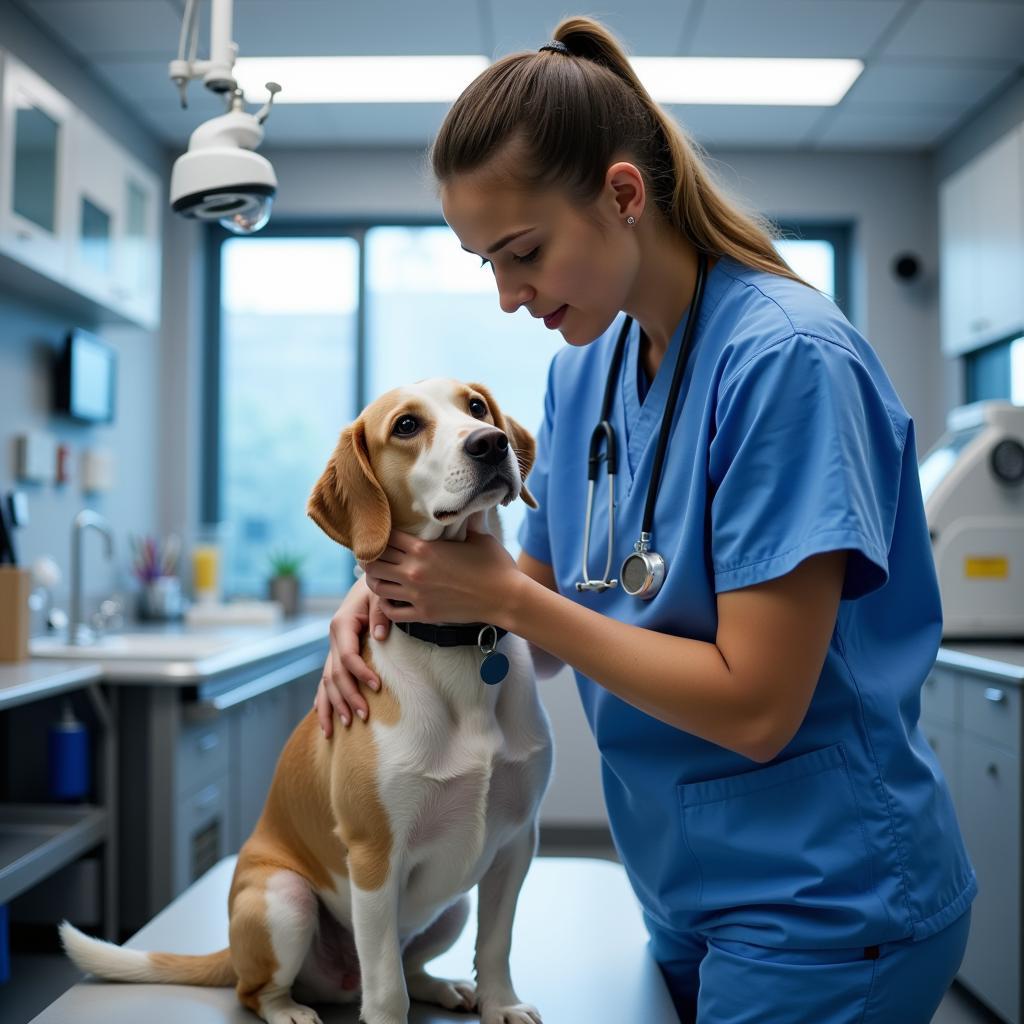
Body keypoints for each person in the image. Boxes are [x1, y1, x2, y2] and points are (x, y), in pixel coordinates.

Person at [313, 16, 976, 1024]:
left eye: (522, 251)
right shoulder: (582, 373)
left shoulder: (787, 362)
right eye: (484, 261)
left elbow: (755, 706)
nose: (506, 295)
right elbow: (534, 610)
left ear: (623, 196)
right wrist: (390, 606)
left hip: (827, 902)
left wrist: (500, 599)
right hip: (678, 884)